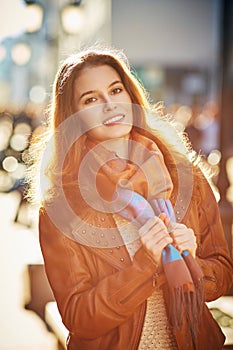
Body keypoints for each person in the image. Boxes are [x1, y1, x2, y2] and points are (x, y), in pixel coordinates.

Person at [27, 47, 233, 350]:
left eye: (116, 90)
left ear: (131, 96)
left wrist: (193, 259)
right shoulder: (61, 208)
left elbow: (224, 276)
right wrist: (145, 264)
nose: (110, 105)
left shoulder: (186, 177)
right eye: (92, 99)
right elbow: (79, 316)